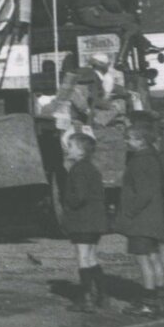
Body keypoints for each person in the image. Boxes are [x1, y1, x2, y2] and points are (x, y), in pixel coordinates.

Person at [117, 123, 164, 315]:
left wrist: (130, 212)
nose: (126, 141)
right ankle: (159, 299)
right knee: (154, 257)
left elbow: (143, 193)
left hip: (142, 221)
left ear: (140, 141)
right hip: (155, 219)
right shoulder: (153, 158)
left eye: (129, 138)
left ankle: (148, 302)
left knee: (143, 261)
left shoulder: (138, 161)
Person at [58, 131, 110, 313]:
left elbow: (79, 196)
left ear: (81, 151)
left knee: (82, 259)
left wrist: (68, 204)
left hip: (82, 221)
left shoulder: (77, 170)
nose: (67, 150)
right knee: (91, 258)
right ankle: (103, 295)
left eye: (70, 146)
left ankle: (86, 299)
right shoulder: (93, 169)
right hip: (95, 221)